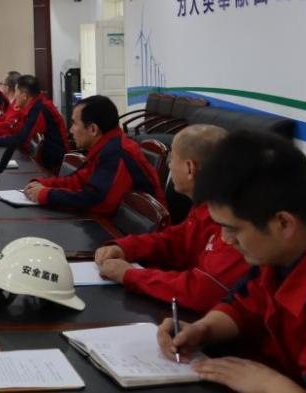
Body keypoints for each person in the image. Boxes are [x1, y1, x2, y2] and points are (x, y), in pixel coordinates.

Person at [157, 131, 306, 393]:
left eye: (232, 229)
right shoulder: (281, 252)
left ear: (283, 223)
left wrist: (268, 384)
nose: (225, 239)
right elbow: (245, 303)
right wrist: (203, 329)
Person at [94, 124, 249, 311]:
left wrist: (130, 275)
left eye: (172, 159)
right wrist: (125, 247)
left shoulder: (235, 220)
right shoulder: (205, 204)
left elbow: (202, 290)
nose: (169, 165)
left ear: (190, 168)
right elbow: (176, 241)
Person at [23, 94, 162, 213]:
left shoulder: (116, 153)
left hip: (131, 231)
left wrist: (47, 195)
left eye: (74, 124)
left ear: (93, 129)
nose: (71, 130)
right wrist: (44, 184)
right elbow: (78, 181)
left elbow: (96, 201)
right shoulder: (106, 146)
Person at [0, 74, 69, 173]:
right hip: (42, 161)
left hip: (52, 167)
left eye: (16, 92)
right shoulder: (34, 106)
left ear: (24, 96)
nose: (15, 96)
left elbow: (22, 139)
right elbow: (16, 130)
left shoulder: (40, 109)